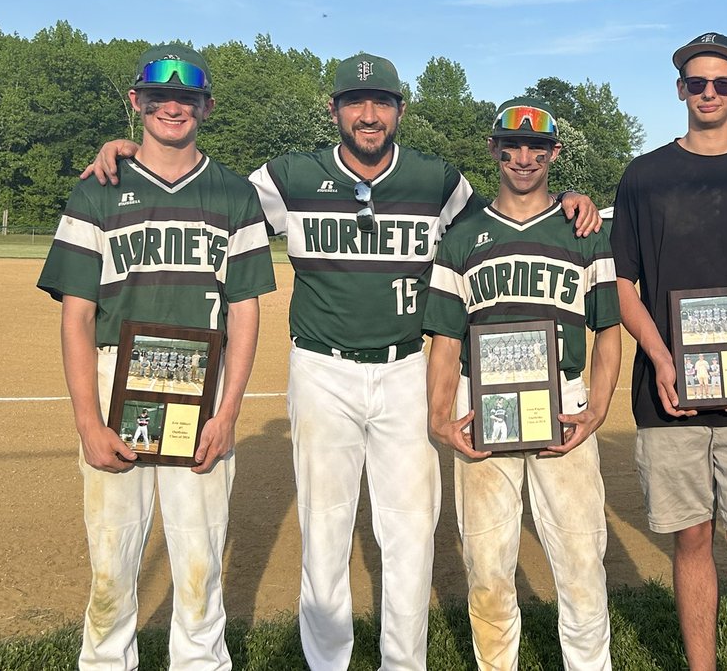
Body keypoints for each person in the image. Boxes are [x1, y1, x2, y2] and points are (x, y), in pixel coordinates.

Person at [83, 54, 600, 671]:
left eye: (381, 101)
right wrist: (128, 151)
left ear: (400, 111)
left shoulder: (437, 180)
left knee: (410, 531)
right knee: (324, 531)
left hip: (408, 366)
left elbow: (504, 215)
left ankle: (403, 664)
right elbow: (203, 187)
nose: (368, 114)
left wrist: (571, 197)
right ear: (333, 110)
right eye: (355, 101)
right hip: (320, 369)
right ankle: (327, 663)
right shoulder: (287, 177)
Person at [38, 44, 275, 671]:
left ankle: (200, 662)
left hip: (202, 378)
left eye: (188, 97)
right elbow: (77, 315)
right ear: (136, 102)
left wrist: (228, 414)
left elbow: (246, 309)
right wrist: (87, 423)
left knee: (200, 554)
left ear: (207, 106)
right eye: (159, 96)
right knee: (112, 557)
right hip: (118, 375)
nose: (174, 107)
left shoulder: (233, 194)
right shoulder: (96, 190)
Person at [610, 33, 727, 671]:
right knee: (690, 542)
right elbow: (624, 285)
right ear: (681, 90)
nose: (710, 93)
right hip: (669, 394)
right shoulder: (644, 175)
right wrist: (663, 360)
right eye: (698, 83)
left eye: (723, 83)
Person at [425, 97, 622, 671]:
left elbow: (608, 331)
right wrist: (440, 416)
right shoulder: (463, 236)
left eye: (537, 146)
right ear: (494, 149)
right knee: (487, 565)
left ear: (554, 153)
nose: (523, 157)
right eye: (511, 144)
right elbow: (445, 338)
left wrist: (598, 410)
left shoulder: (583, 231)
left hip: (563, 403)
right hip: (482, 407)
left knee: (581, 558)